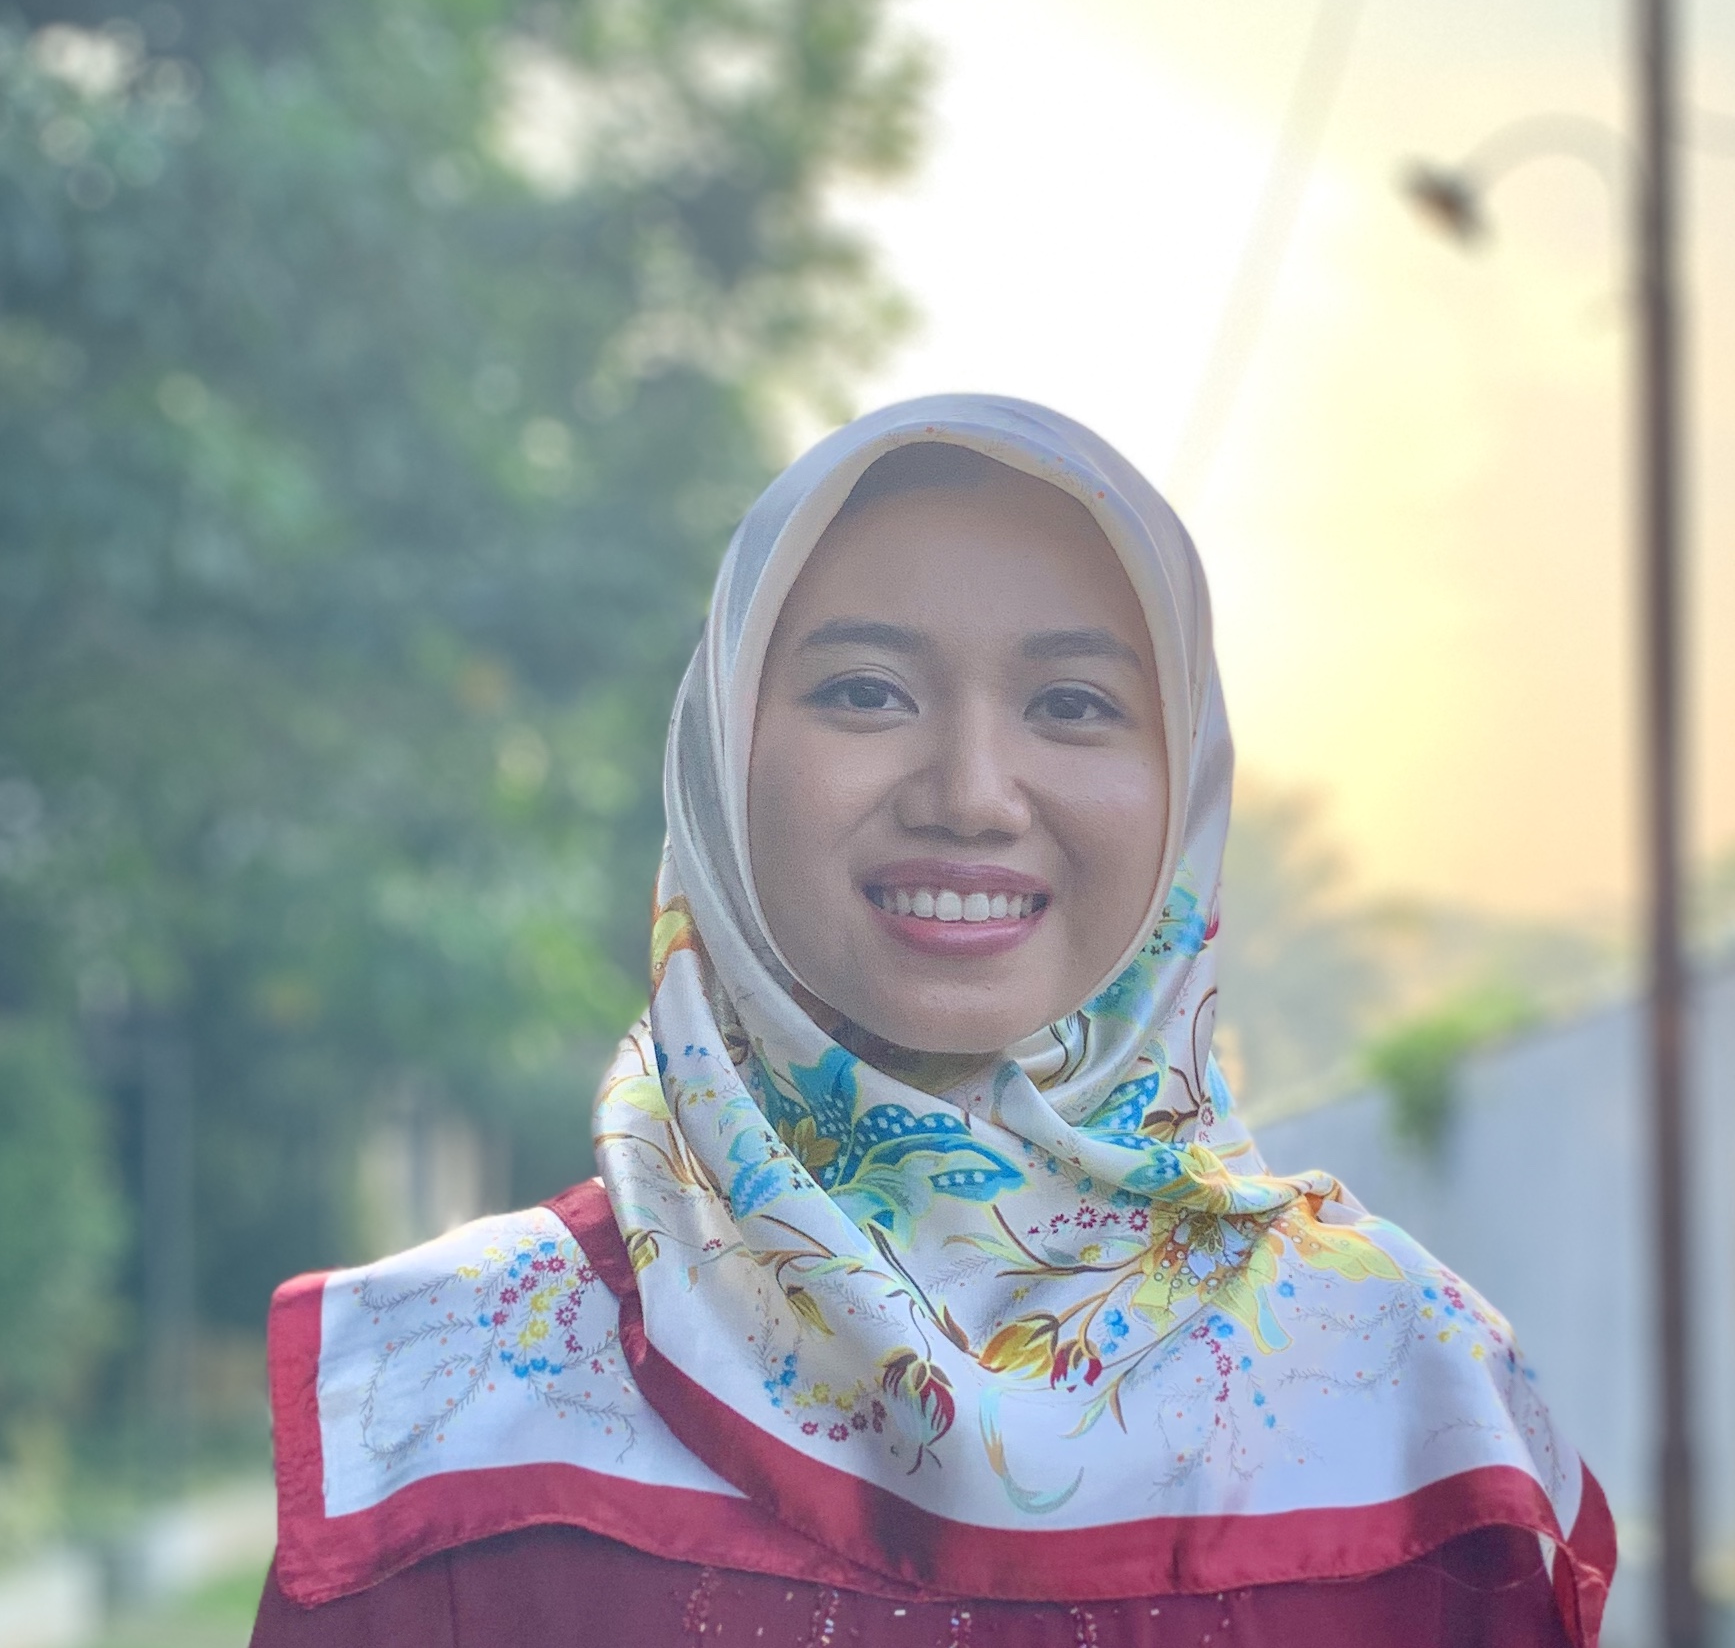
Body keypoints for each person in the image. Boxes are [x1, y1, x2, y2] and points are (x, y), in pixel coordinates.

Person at [251, 396, 1614, 1647]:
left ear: (1186, 785)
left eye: (1073, 704)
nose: (970, 792)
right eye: (866, 691)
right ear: (721, 758)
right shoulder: (441, 1394)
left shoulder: (1418, 1399)